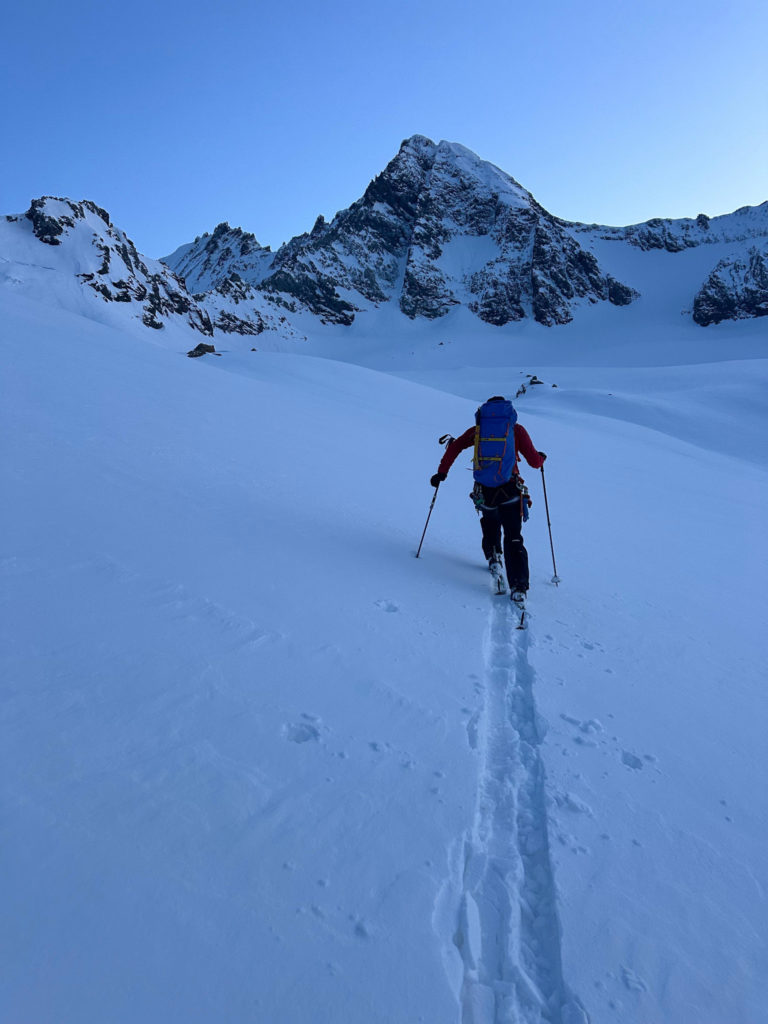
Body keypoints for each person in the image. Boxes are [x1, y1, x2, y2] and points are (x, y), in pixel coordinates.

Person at [430, 396, 546, 603]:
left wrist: (441, 473)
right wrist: (541, 458)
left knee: (490, 523)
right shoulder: (515, 430)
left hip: (485, 492)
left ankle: (494, 558)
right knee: (514, 536)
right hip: (510, 490)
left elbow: (454, 447)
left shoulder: (477, 431)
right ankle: (518, 585)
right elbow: (534, 462)